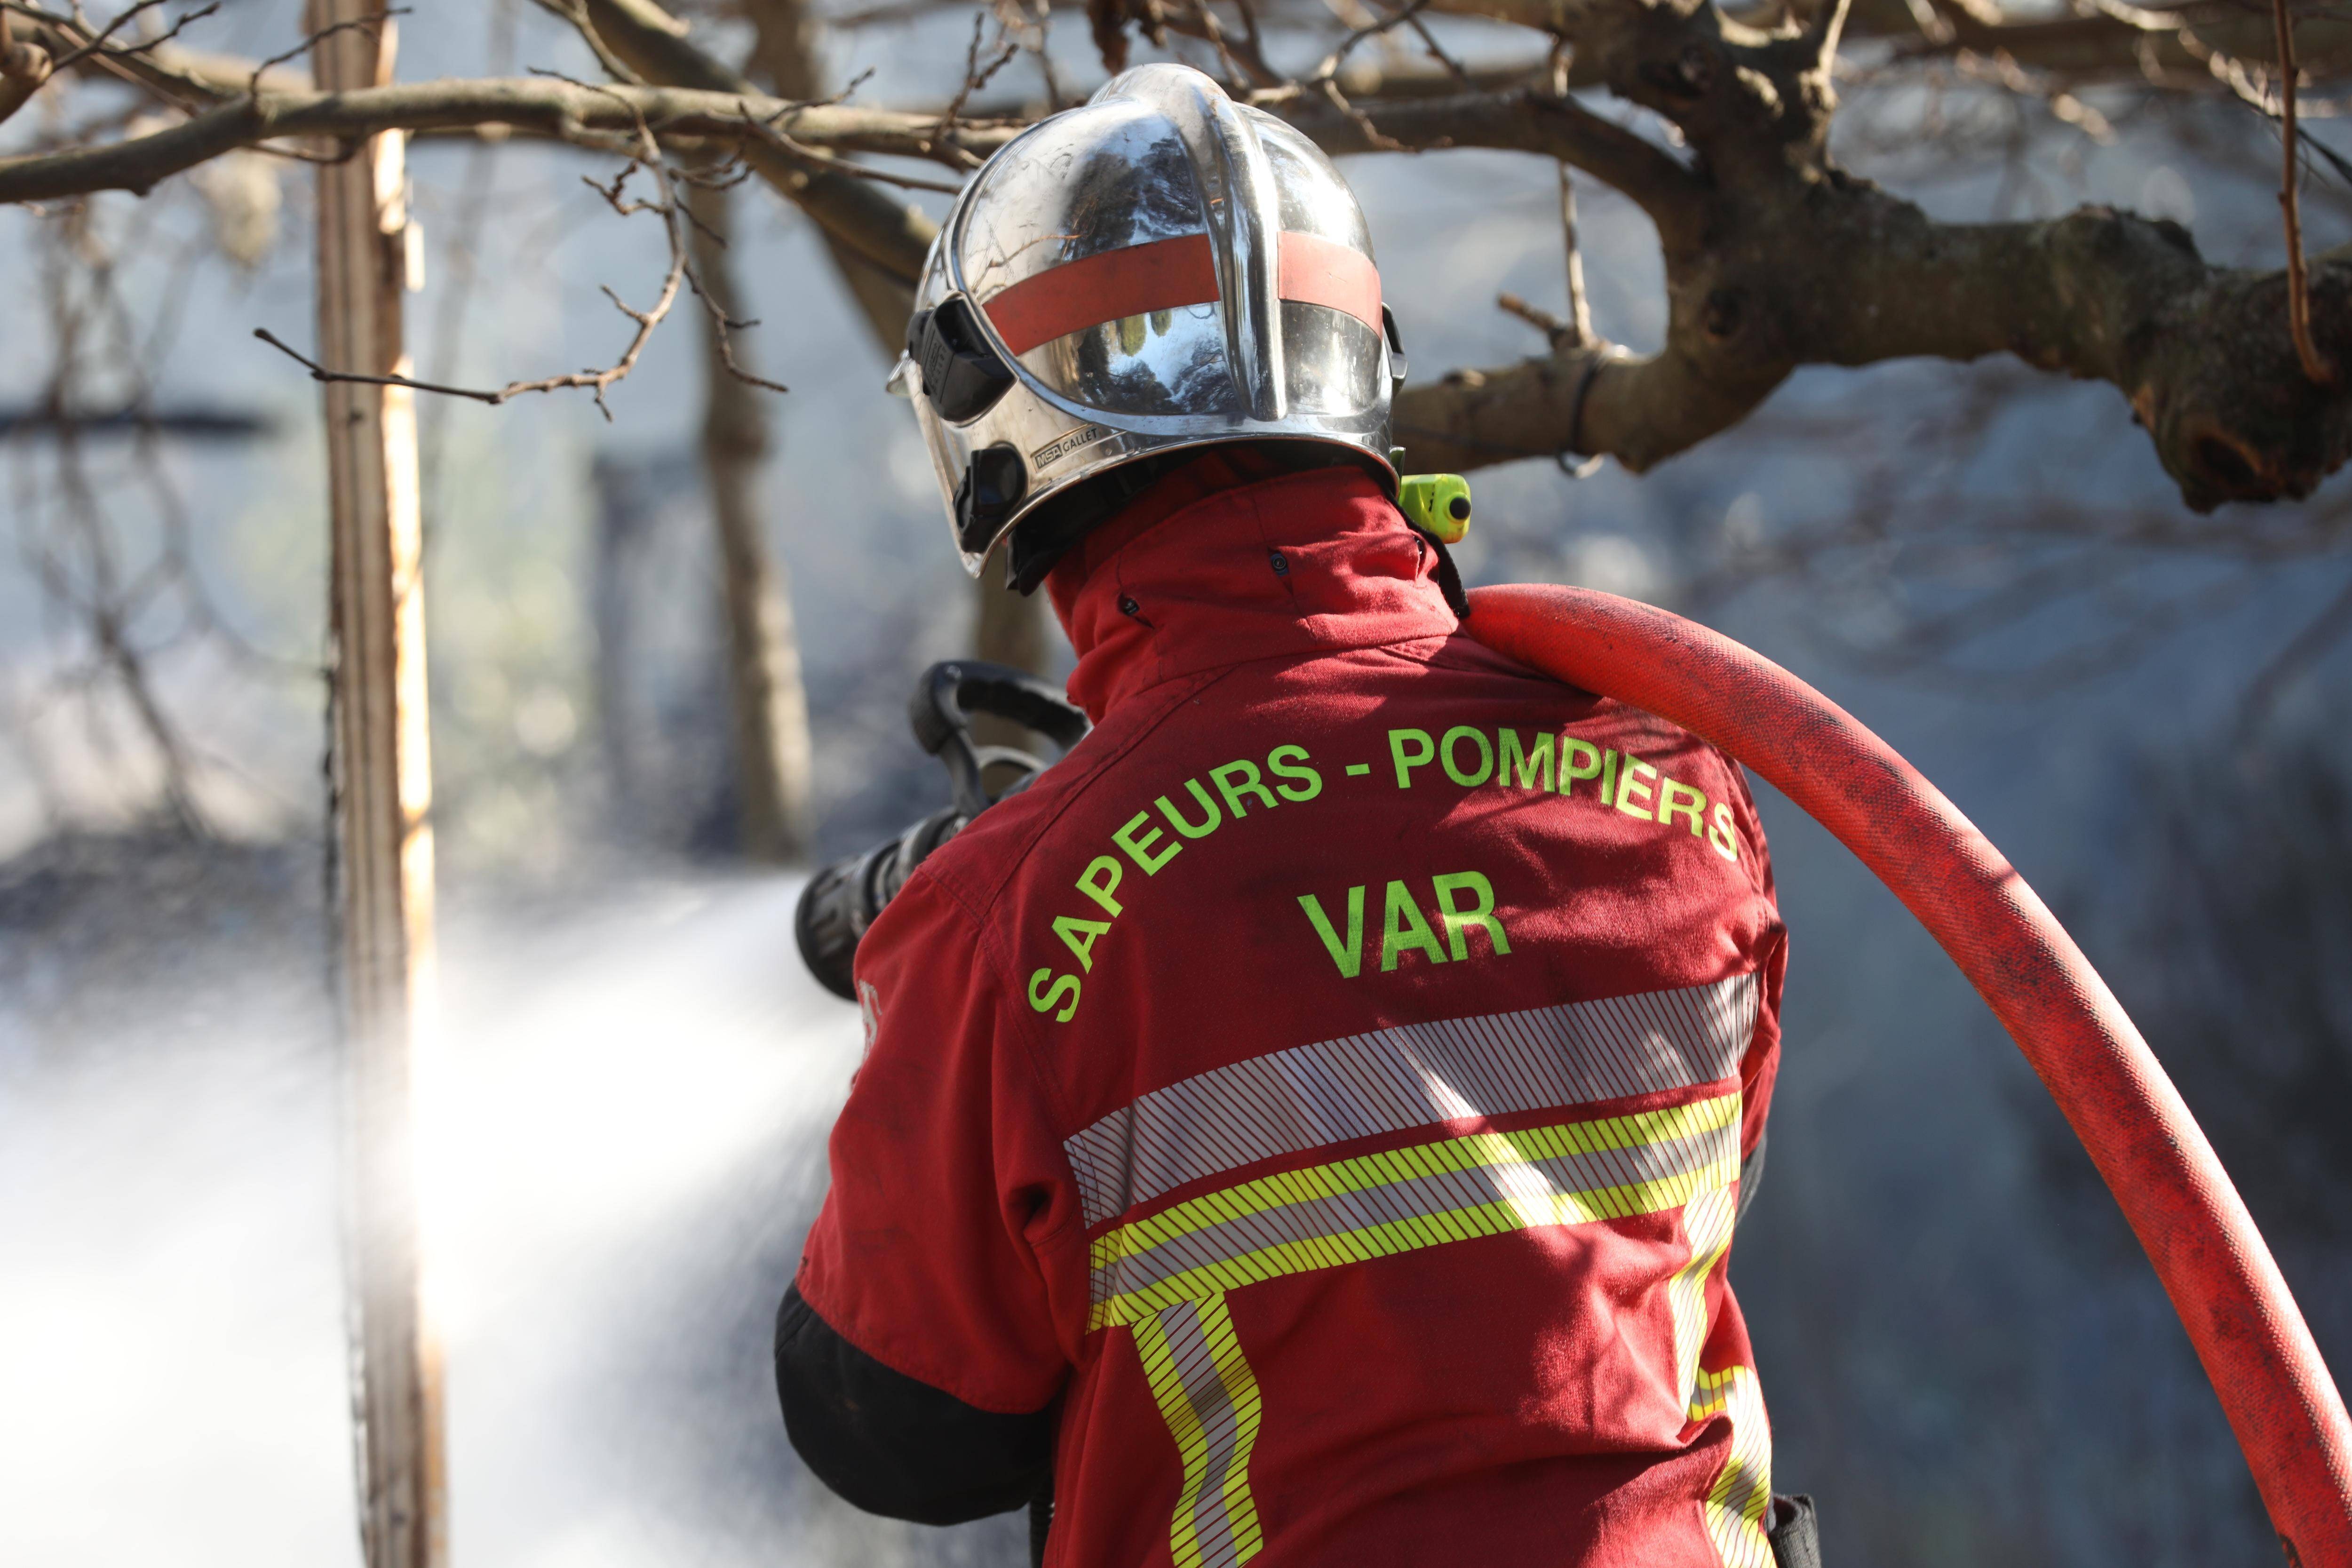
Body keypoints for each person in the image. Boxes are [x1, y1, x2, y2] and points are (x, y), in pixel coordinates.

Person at [775, 62, 1812, 1568]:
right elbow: (1675, 1216)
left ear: (991, 418)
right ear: (1356, 361)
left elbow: (895, 1424)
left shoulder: (1017, 915)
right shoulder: (1674, 786)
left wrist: (942, 1008)